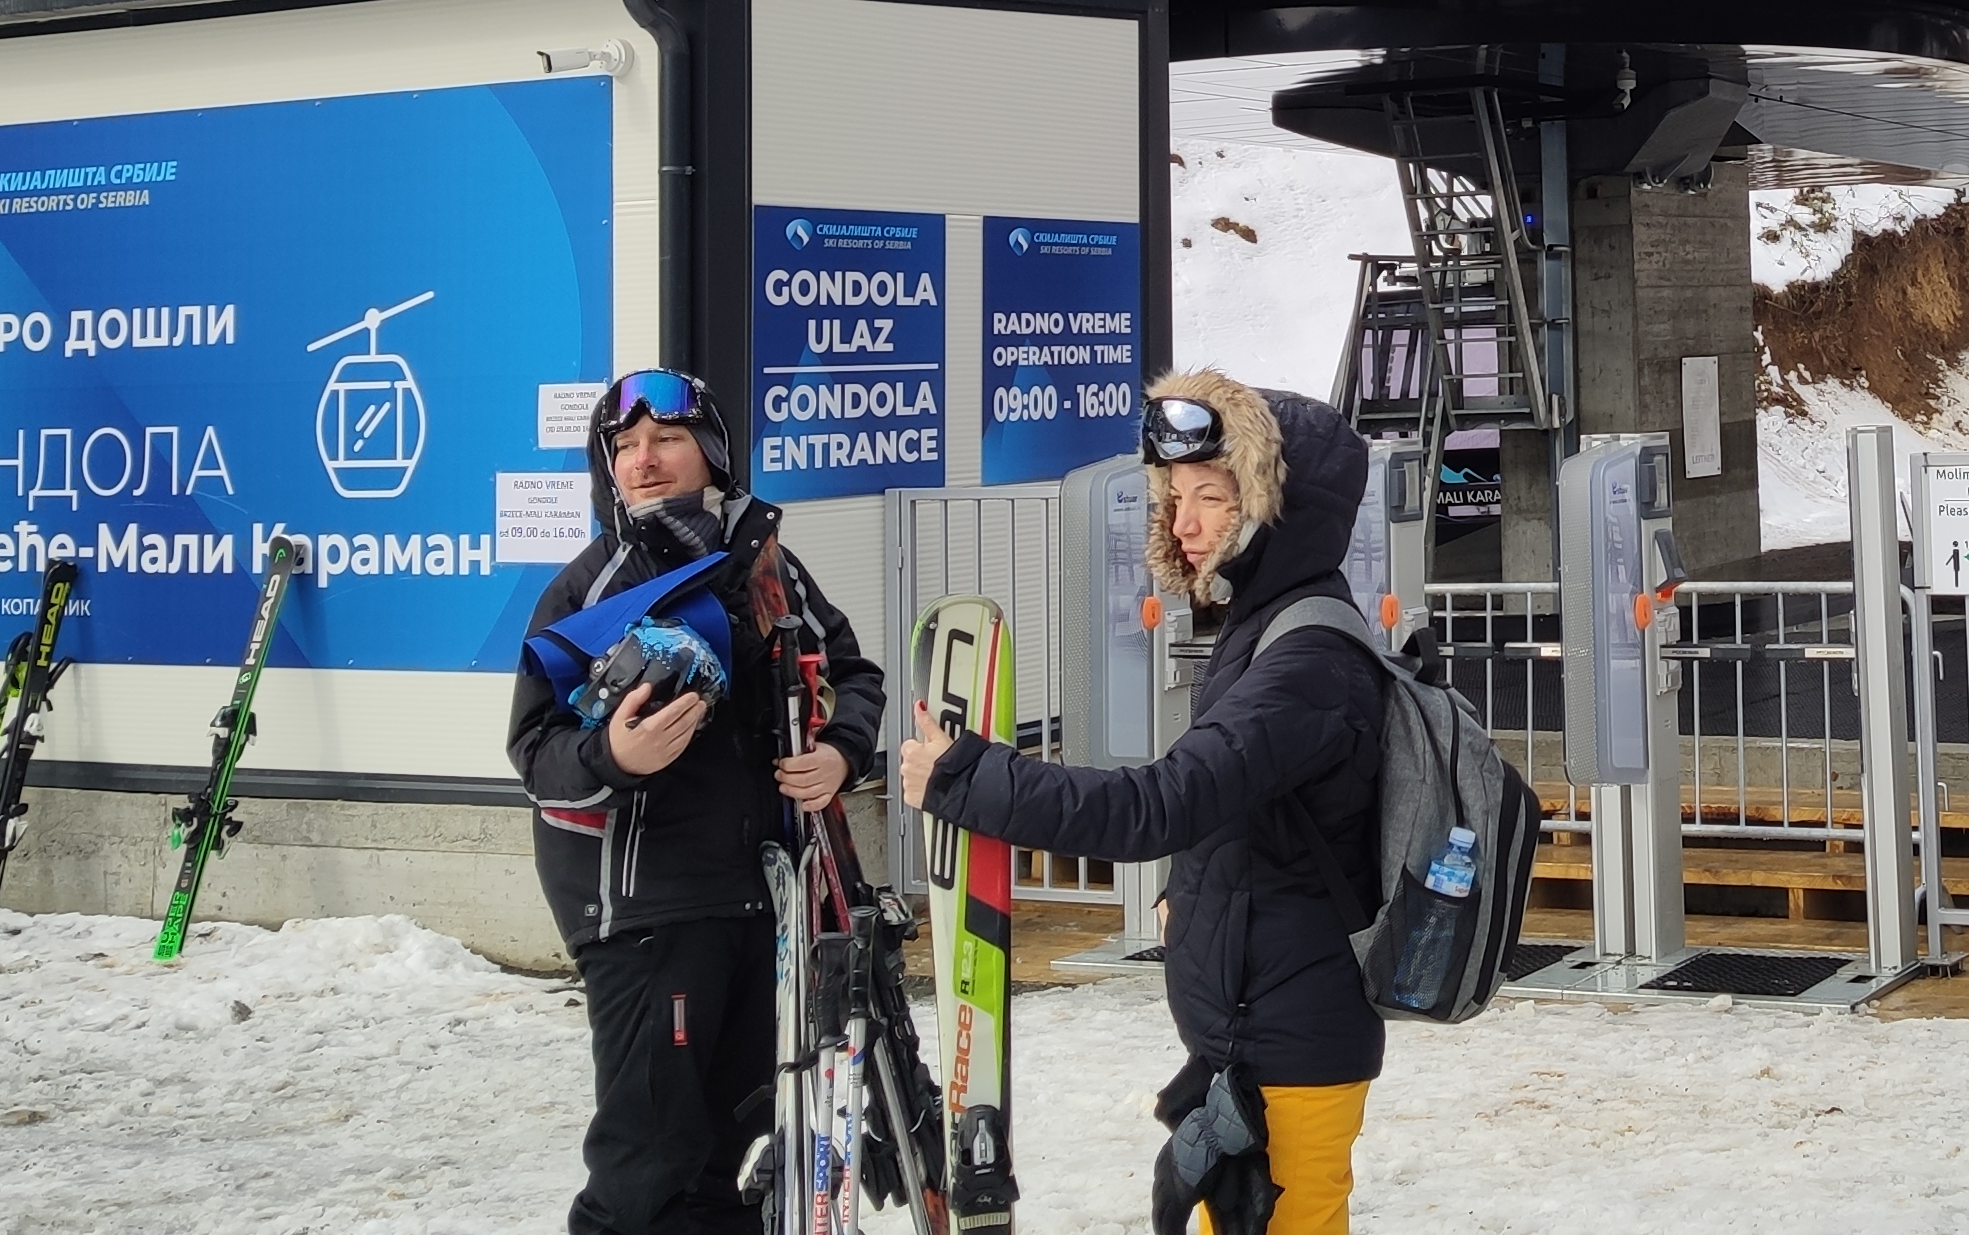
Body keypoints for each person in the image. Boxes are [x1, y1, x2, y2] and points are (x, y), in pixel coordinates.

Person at [903, 370, 1387, 1235]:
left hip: (1290, 1048)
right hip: (1252, 1034)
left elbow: (1158, 803)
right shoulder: (1263, 628)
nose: (1185, 523)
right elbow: (1242, 807)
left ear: (1282, 506)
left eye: (1212, 495)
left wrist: (967, 778)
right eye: (1173, 496)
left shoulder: (1305, 660)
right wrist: (1185, 888)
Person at [508, 370, 884, 1235]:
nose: (643, 461)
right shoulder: (589, 586)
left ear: (709, 451)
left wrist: (838, 752)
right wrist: (616, 754)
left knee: (734, 1155)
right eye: (624, 447)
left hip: (767, 904)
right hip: (648, 916)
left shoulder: (767, 564)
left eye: (665, 440)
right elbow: (535, 755)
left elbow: (853, 673)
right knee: (648, 1169)